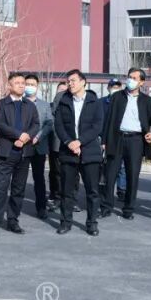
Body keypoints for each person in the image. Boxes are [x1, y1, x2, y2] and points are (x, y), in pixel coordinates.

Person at [0, 72, 40, 237]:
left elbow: (36, 124)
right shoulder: (0, 105)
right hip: (7, 153)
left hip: (24, 153)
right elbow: (0, 125)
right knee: (0, 189)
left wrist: (26, 137)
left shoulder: (30, 105)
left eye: (23, 83)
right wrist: (18, 135)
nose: (22, 85)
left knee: (18, 189)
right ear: (9, 85)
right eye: (18, 83)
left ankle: (13, 220)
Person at [102, 68, 151, 220]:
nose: (130, 80)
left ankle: (128, 209)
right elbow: (108, 120)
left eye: (134, 78)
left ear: (141, 82)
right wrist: (104, 141)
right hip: (117, 138)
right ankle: (106, 206)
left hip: (136, 140)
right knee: (110, 174)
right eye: (129, 77)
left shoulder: (147, 101)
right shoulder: (117, 97)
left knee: (132, 175)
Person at [54, 69, 105, 236]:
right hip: (68, 152)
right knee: (66, 191)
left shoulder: (94, 102)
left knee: (92, 192)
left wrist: (80, 141)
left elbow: (97, 126)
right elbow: (59, 125)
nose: (70, 84)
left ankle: (92, 223)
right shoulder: (63, 101)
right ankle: (65, 222)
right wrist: (69, 142)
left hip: (90, 152)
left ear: (83, 82)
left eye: (73, 80)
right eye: (68, 81)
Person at [24, 74, 54, 219]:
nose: (30, 87)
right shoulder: (19, 103)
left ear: (37, 87)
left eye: (33, 84)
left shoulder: (44, 105)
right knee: (19, 178)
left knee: (39, 178)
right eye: (27, 84)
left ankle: (41, 207)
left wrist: (38, 136)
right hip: (22, 145)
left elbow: (49, 123)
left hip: (39, 146)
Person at [101, 78, 128, 200]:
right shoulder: (101, 102)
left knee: (122, 166)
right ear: (108, 88)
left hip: (120, 138)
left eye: (118, 87)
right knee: (106, 165)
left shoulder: (125, 102)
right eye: (113, 87)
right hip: (104, 138)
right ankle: (105, 189)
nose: (115, 89)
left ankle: (122, 190)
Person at [47, 81, 69, 210]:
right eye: (60, 90)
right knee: (56, 171)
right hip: (57, 141)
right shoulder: (56, 101)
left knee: (72, 173)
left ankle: (70, 198)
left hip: (72, 142)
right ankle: (56, 196)